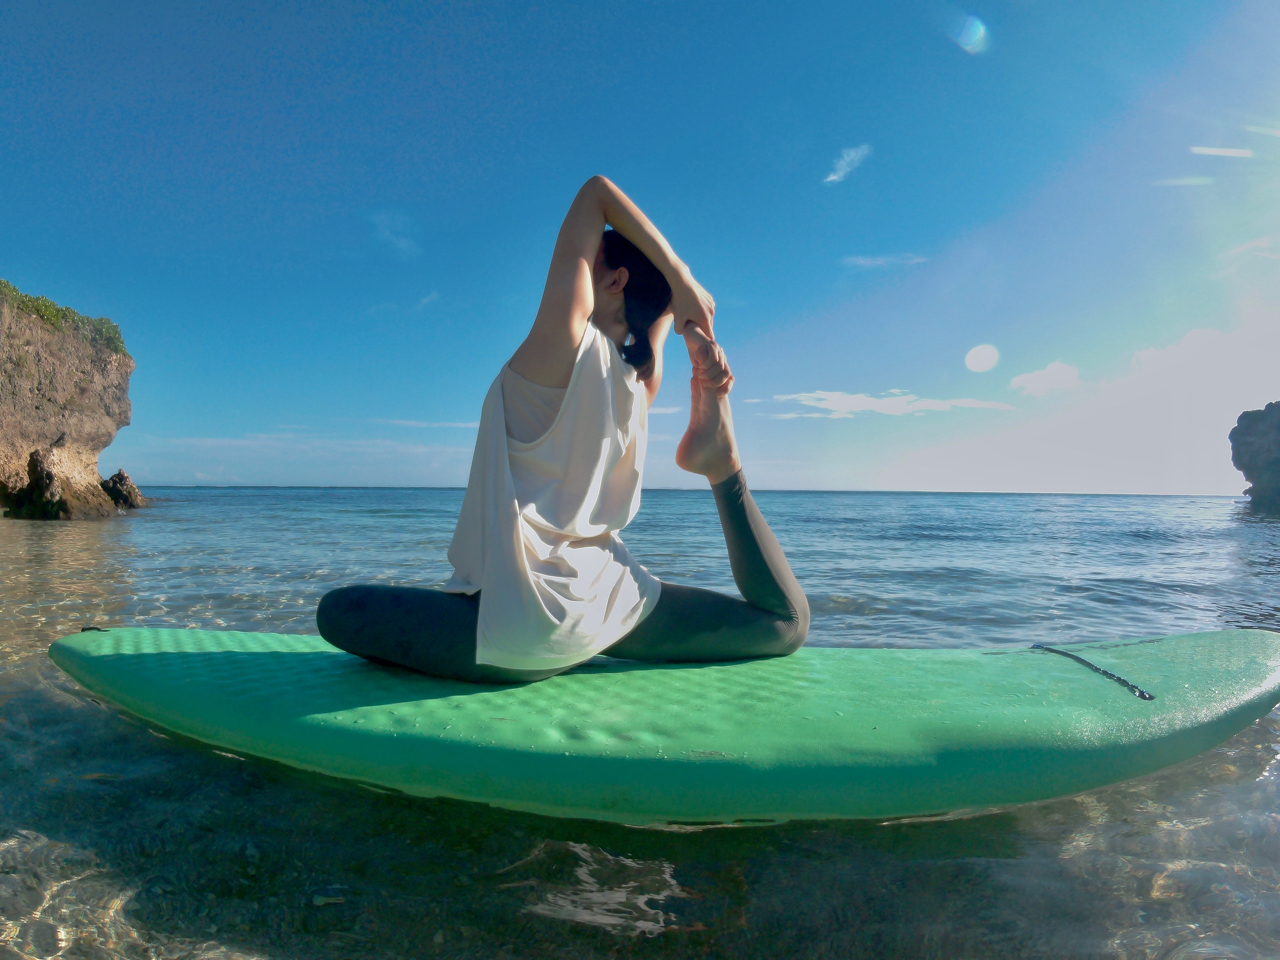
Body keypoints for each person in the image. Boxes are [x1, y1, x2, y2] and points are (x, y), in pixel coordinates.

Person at [317, 177, 808, 683]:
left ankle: (515, 646)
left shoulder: (565, 341)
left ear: (614, 282)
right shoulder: (641, 383)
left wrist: (681, 278)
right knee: (784, 624)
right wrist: (691, 325)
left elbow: (596, 194)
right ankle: (724, 466)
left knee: (336, 611)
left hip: (522, 629)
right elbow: (656, 309)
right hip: (612, 606)